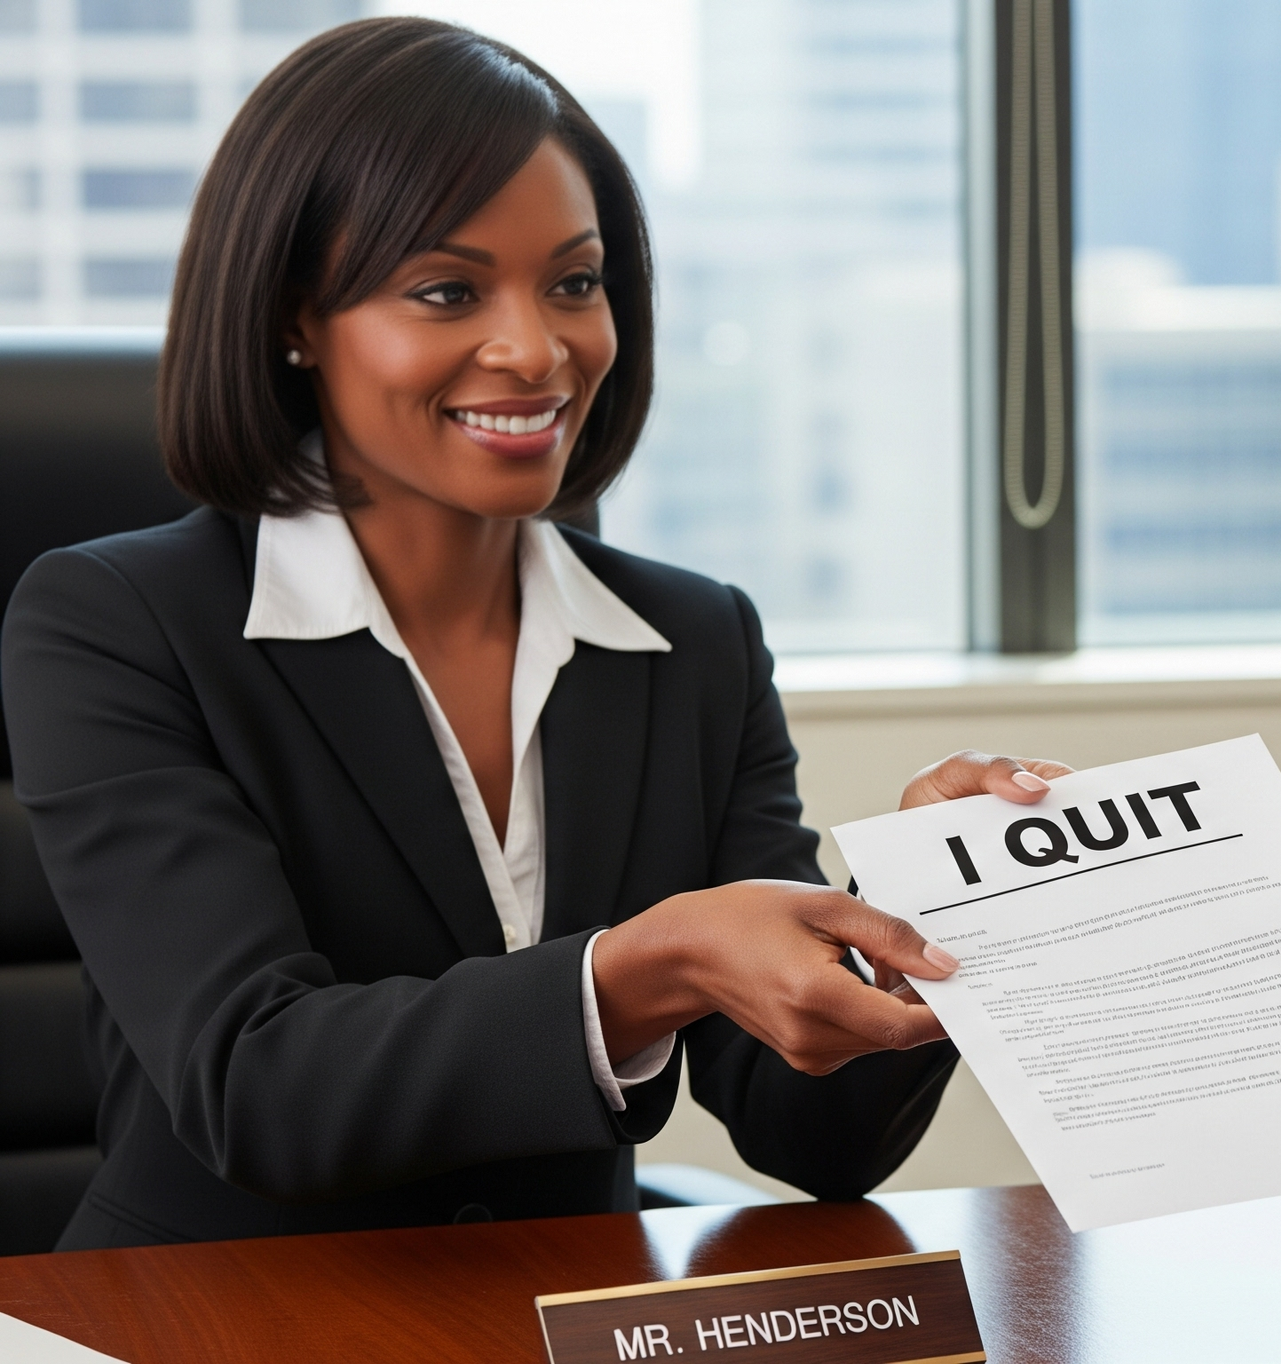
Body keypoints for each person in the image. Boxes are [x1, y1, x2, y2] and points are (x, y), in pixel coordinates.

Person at [0, 17, 1066, 1249]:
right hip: (213, 1316)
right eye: (447, 290)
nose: (536, 347)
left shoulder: (693, 638)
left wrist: (918, 909)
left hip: (557, 1319)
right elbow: (257, 1082)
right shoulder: (119, 623)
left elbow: (808, 1136)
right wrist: (643, 967)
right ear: (298, 318)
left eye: (573, 280)